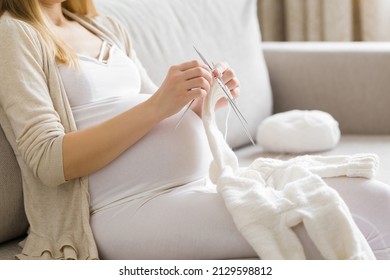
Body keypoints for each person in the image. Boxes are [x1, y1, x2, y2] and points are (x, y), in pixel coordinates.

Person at [0, 0, 389, 260]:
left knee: (376, 201)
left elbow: (157, 115)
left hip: (193, 187)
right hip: (122, 209)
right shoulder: (15, 33)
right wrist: (159, 105)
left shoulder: (105, 27)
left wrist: (204, 101)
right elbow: (47, 161)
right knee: (335, 231)